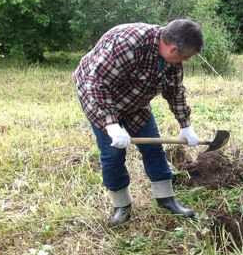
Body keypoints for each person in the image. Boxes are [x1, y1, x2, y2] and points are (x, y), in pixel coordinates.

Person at [74, 19, 203, 226]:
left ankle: (166, 198)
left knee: (152, 145)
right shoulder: (128, 44)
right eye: (185, 57)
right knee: (113, 153)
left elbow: (175, 91)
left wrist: (185, 125)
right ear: (173, 49)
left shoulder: (172, 61)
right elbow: (95, 84)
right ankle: (121, 205)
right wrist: (112, 125)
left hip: (135, 99)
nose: (185, 61)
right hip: (98, 96)